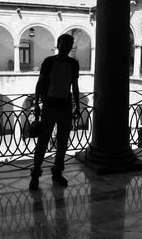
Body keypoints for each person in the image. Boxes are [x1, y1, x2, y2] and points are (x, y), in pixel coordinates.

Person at [29, 34, 80, 190]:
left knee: (63, 143)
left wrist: (77, 105)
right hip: (49, 107)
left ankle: (57, 171)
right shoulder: (49, 62)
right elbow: (40, 83)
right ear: (58, 45)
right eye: (63, 44)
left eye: (69, 44)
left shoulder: (73, 64)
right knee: (43, 143)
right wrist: (36, 103)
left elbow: (75, 86)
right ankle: (35, 174)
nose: (65, 47)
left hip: (65, 107)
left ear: (71, 47)